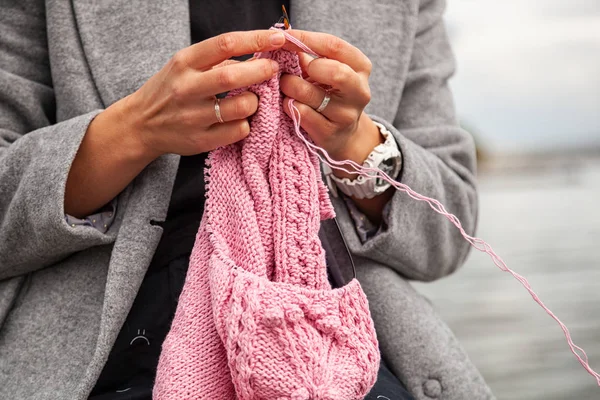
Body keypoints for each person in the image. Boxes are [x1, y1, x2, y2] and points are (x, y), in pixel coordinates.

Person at [0, 0, 494, 399]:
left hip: (346, 331)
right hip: (108, 338)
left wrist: (358, 146)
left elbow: (447, 240)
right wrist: (132, 132)